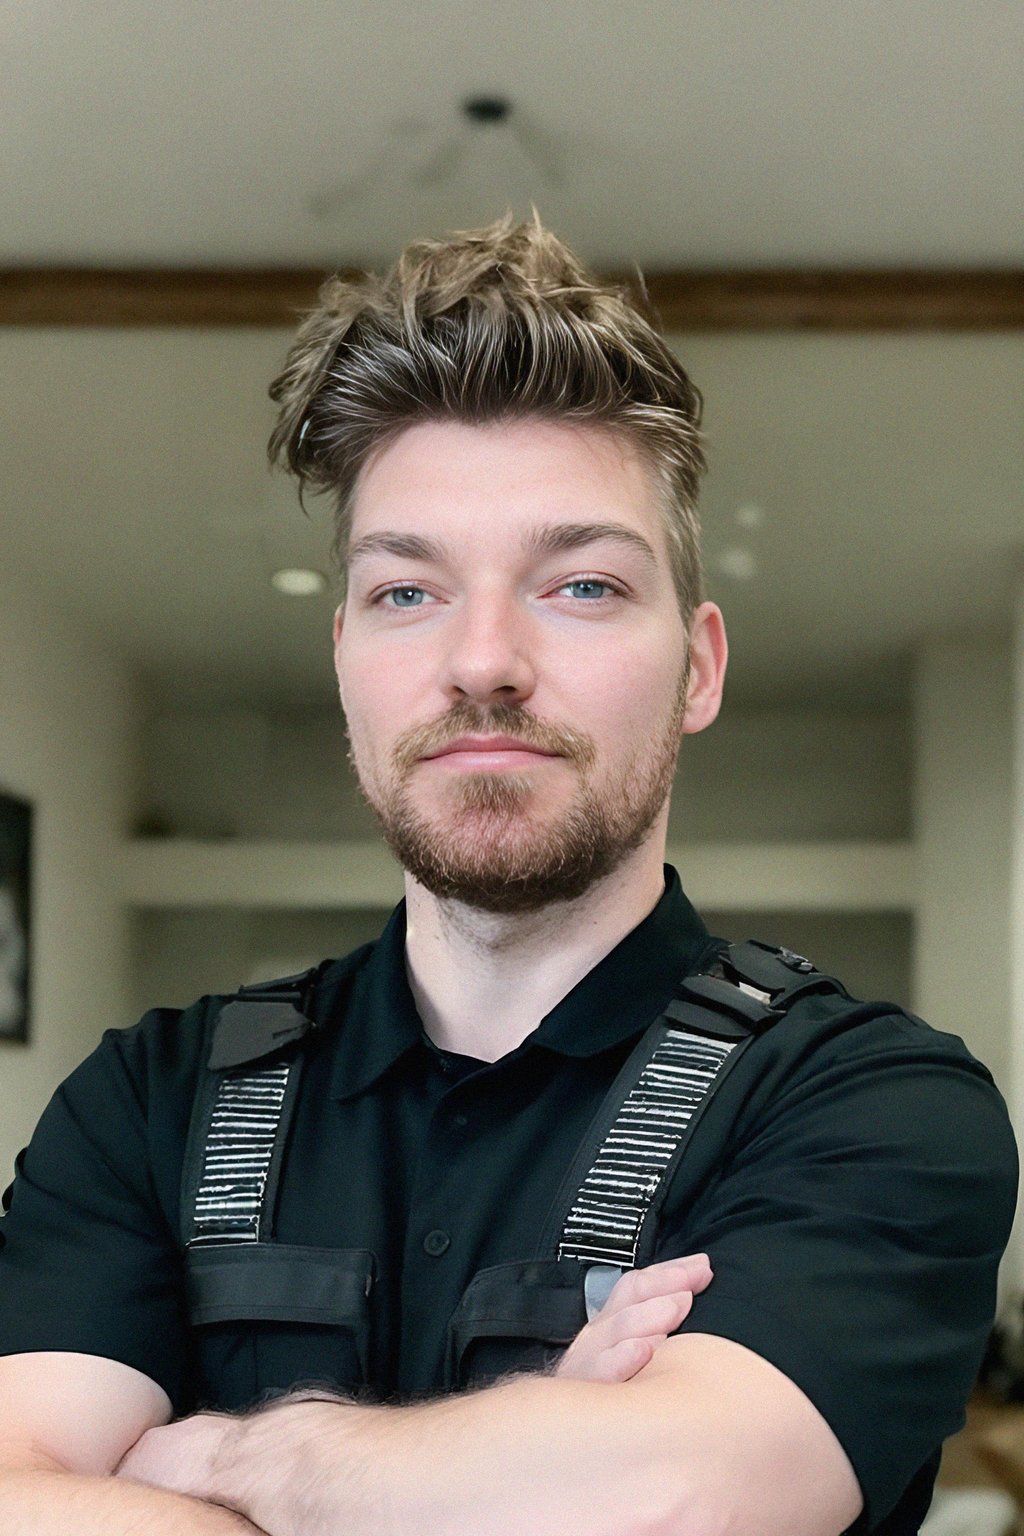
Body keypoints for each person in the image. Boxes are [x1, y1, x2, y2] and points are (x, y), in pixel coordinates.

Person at [0, 214, 1016, 1536]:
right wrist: (514, 1480)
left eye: (581, 586)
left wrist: (238, 1463)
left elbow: (673, 1500)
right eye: (406, 593)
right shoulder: (145, 1108)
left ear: (699, 666)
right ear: (345, 660)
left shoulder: (870, 1109)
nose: (484, 660)